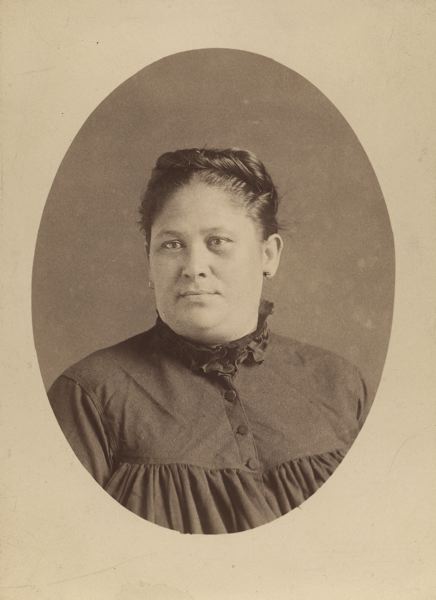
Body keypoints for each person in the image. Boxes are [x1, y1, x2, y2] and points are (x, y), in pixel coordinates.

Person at [48, 147, 370, 534]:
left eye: (217, 241)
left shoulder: (339, 384)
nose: (194, 268)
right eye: (172, 245)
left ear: (268, 255)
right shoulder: (89, 397)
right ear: (149, 260)